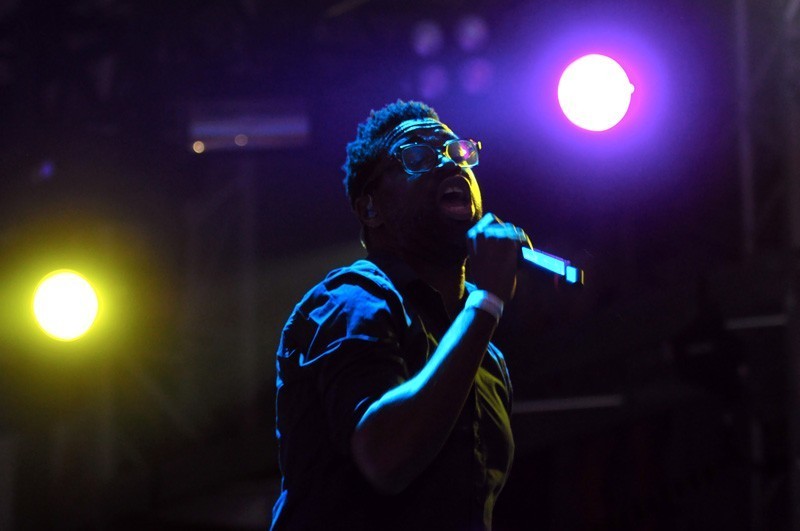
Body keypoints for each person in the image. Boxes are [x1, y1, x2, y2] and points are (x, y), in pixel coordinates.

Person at [271, 100, 530, 530]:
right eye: (418, 156)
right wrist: (485, 303)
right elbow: (385, 458)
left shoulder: (487, 356)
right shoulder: (352, 300)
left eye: (458, 151)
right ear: (370, 209)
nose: (450, 163)